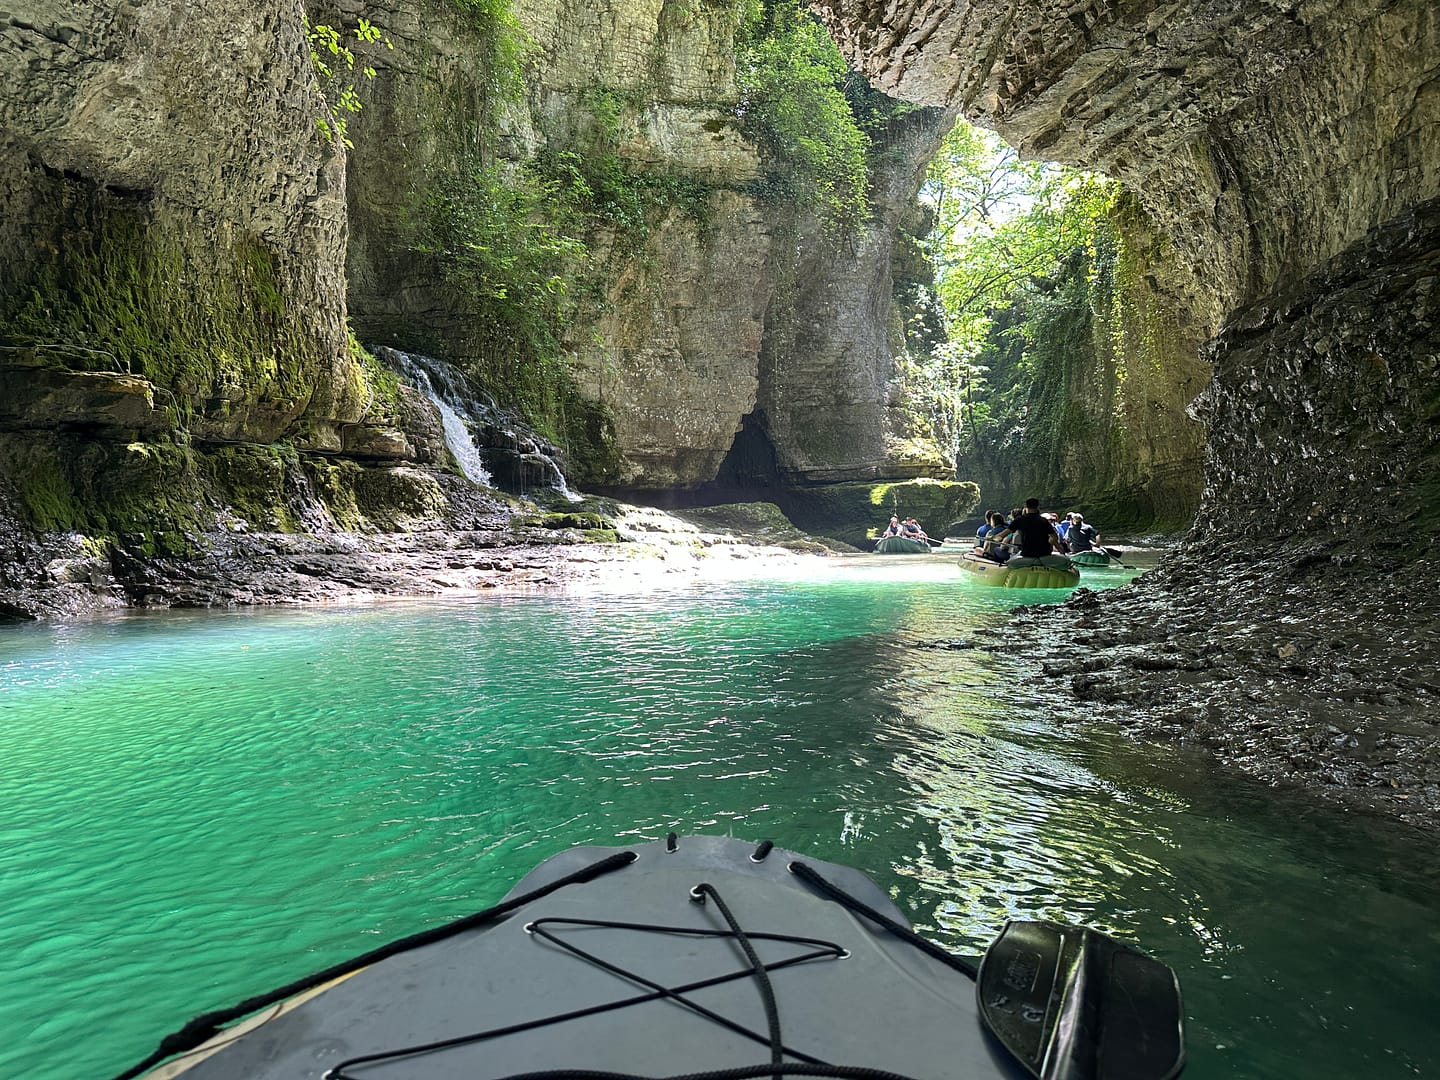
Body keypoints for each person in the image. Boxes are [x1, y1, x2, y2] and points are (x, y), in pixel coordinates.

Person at [995, 498, 1063, 559]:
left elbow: (1002, 535)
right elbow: (1054, 537)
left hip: (1027, 553)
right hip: (1044, 553)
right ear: (1038, 507)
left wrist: (993, 538)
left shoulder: (1020, 520)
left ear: (1025, 507)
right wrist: (1052, 545)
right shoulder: (1043, 521)